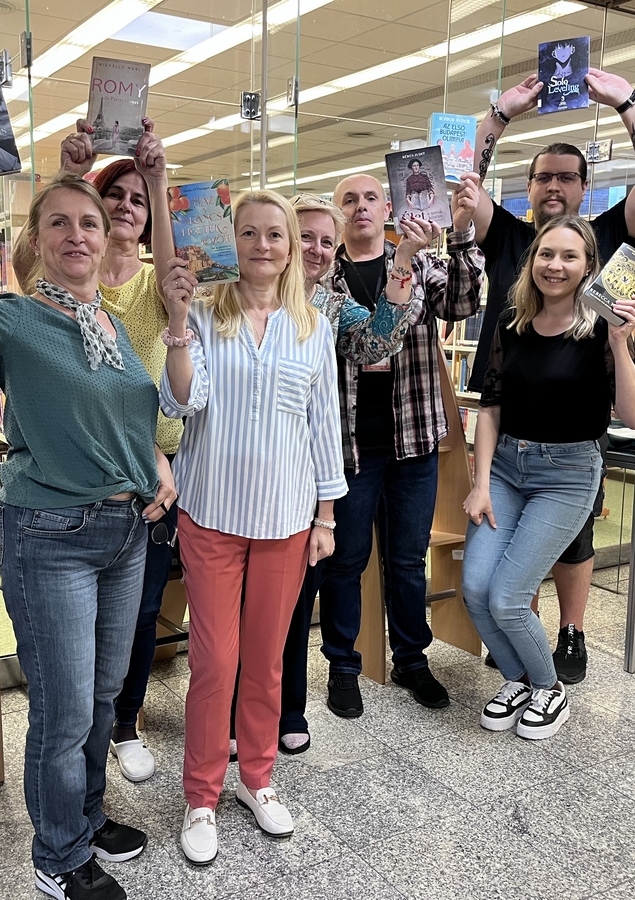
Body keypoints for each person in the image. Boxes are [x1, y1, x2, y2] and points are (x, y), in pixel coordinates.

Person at [0, 124, 176, 900]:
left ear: (107, 236)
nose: (77, 235)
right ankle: (57, 856)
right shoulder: (15, 317)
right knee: (63, 708)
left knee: (102, 696)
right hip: (50, 535)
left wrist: (153, 466)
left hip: (125, 533)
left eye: (89, 222)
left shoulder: (111, 324)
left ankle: (85, 816)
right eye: (60, 223)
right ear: (38, 240)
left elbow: (125, 413)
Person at [469, 69, 635, 683]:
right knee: (506, 569)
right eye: (544, 176)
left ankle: (570, 632)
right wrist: (499, 114)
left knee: (573, 542)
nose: (554, 185)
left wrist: (627, 102)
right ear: (530, 186)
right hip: (509, 421)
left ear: (584, 187)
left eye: (566, 176)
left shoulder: (609, 234)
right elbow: (465, 184)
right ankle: (521, 637)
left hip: (573, 437)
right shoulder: (506, 235)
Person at [159, 190, 346, 866]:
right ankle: (201, 795)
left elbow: (324, 423)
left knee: (267, 661)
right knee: (215, 662)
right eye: (249, 233)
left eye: (275, 234)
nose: (262, 245)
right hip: (211, 514)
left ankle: (257, 778)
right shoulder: (207, 314)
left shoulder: (312, 326)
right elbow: (183, 400)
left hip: (287, 520)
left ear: (292, 247)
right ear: (230, 241)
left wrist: (326, 516)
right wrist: (178, 324)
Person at [228, 193, 427, 757]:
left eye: (325, 241)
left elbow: (379, 342)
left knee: (294, 601)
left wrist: (403, 262)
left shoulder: (332, 307)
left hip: (303, 474)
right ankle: (234, 710)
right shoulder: (234, 292)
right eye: (305, 235)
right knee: (236, 608)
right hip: (233, 476)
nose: (315, 249)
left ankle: (288, 707)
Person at [461, 214, 635, 740]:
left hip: (567, 475)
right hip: (505, 468)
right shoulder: (512, 322)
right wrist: (480, 483)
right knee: (474, 588)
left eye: (570, 256)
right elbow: (491, 408)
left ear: (589, 266)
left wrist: (620, 343)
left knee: (507, 596)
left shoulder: (603, 330)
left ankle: (549, 688)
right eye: (546, 254)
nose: (555, 265)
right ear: (532, 261)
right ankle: (519, 679)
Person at [315, 171, 484, 719]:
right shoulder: (323, 278)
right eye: (349, 200)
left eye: (370, 197)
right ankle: (343, 666)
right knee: (345, 561)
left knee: (408, 560)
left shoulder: (424, 262)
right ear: (338, 212)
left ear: (387, 206)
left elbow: (462, 304)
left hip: (413, 439)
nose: (360, 207)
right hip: (349, 446)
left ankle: (411, 660)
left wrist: (460, 232)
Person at [56, 116, 178, 785]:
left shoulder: (160, 283)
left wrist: (157, 180)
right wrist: (71, 173)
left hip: (151, 472)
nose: (127, 206)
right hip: (81, 463)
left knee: (140, 609)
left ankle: (125, 723)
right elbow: (36, 250)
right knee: (81, 615)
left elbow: (176, 267)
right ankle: (81, 726)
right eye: (115, 196)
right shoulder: (72, 278)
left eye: (138, 200)